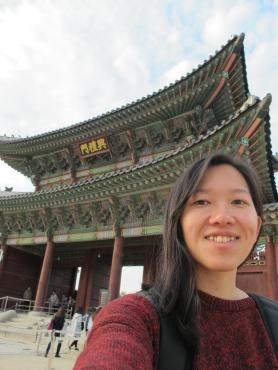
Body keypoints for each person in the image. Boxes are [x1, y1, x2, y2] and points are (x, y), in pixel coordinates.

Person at [74, 153, 278, 369]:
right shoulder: (136, 317)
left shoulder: (273, 321)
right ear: (178, 222)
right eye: (202, 201)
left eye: (238, 201)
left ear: (257, 227)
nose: (222, 217)